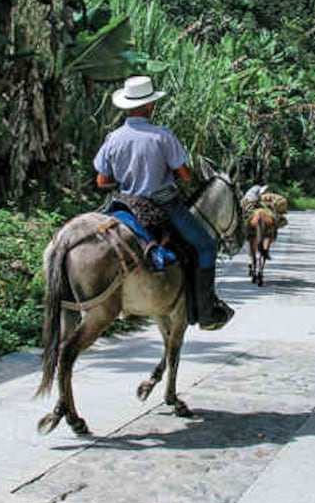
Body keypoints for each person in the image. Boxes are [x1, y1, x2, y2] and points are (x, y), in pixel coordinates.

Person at [93, 75, 235, 331]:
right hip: (163, 205)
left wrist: (127, 180)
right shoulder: (162, 135)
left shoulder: (113, 138)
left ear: (127, 106)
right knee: (205, 247)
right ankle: (206, 313)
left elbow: (102, 181)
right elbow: (185, 175)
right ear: (149, 106)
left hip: (125, 205)